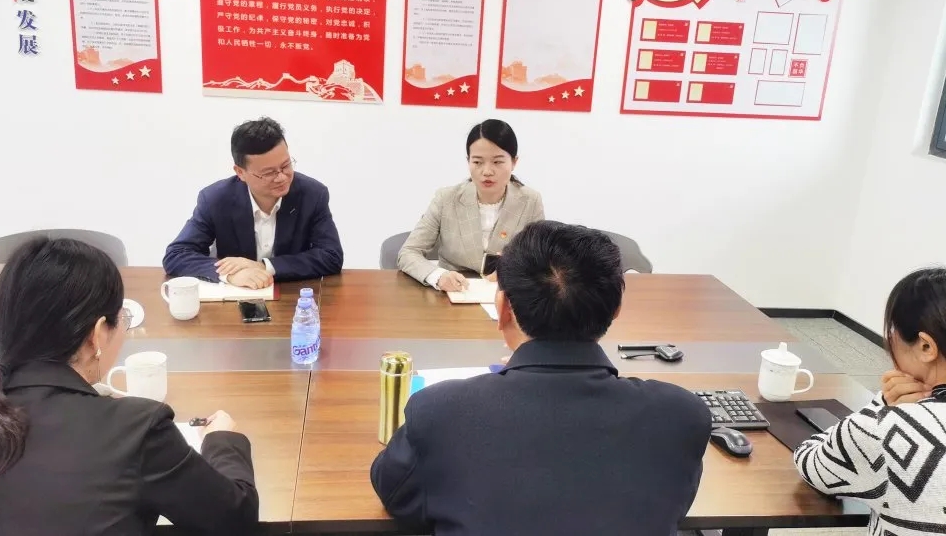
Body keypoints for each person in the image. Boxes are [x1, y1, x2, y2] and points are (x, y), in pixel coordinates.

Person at [372, 221, 711, 535]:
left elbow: (397, 496)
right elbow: (672, 505)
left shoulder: (440, 411)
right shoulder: (681, 415)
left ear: (503, 307)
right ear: (616, 308)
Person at [0, 237, 258, 536]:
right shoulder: (138, 428)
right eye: (122, 318)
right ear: (97, 334)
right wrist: (223, 440)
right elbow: (235, 519)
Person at [794, 268, 946, 533]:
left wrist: (882, 406)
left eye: (892, 330)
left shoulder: (888, 431)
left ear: (926, 346)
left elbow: (812, 463)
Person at [163, 117, 343, 287]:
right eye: (269, 173)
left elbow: (331, 256)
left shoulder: (313, 194)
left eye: (286, 165)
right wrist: (230, 275)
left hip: (292, 296)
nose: (281, 177)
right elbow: (177, 254)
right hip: (234, 298)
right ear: (240, 173)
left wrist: (265, 266)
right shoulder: (215, 199)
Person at [397, 119, 544, 291]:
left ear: (514, 162)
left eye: (497, 162)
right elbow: (408, 252)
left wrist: (513, 270)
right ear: (468, 161)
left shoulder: (530, 201)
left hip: (506, 295)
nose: (487, 171)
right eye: (477, 162)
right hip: (452, 294)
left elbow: (542, 261)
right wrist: (438, 276)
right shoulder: (446, 199)